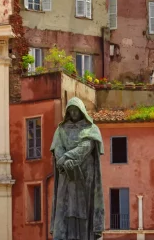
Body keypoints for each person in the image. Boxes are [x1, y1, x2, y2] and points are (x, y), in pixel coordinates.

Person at [50, 97, 105, 240]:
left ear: (82, 111)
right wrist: (63, 161)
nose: (74, 113)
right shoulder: (60, 130)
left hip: (85, 176)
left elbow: (85, 147)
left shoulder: (91, 129)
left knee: (84, 209)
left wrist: (65, 158)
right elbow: (57, 148)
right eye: (71, 111)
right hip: (66, 176)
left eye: (76, 110)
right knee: (65, 208)